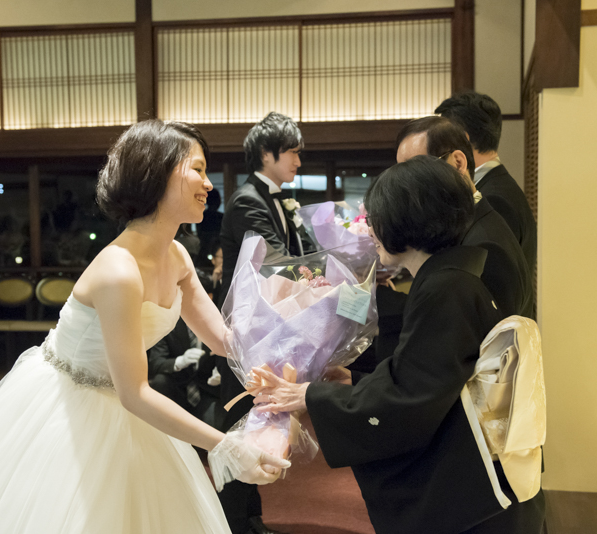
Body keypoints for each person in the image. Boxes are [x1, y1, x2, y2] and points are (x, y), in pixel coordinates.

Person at [0, 119, 289, 533]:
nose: (208, 184)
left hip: (124, 402)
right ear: (156, 174)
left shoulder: (176, 255)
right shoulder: (118, 270)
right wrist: (225, 445)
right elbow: (135, 393)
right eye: (197, 169)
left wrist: (288, 349)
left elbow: (223, 339)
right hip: (71, 405)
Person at [251, 156, 546, 534]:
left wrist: (310, 396)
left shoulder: (445, 289)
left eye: (377, 218)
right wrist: (355, 383)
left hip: (474, 506)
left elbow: (409, 400)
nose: (370, 230)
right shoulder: (453, 277)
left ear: (408, 218)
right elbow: (425, 378)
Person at [217, 111, 303, 534]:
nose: (298, 162)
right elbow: (275, 260)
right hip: (241, 333)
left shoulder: (276, 198)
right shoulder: (247, 199)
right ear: (267, 154)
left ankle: (249, 517)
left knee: (256, 424)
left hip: (263, 331)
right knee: (238, 425)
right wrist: (323, 276)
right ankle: (234, 521)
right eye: (292, 153)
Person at [396, 115, 533, 319]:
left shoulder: (486, 244)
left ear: (458, 163)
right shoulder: (464, 225)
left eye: (416, 171)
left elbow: (490, 334)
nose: (407, 186)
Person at [435, 91, 537, 275]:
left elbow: (494, 275)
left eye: (444, 139)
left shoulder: (495, 198)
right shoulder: (496, 186)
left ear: (463, 139)